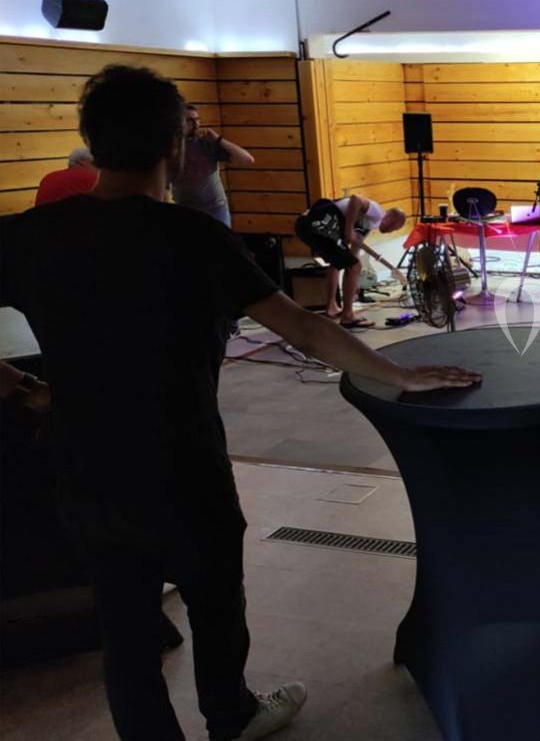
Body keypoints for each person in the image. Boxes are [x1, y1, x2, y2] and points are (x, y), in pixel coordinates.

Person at [0, 65, 481, 741]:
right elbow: (308, 329)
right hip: (184, 465)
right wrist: (400, 377)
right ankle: (233, 716)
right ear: (175, 148)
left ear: (91, 141)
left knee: (127, 637)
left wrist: (23, 388)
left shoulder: (27, 237)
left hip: (87, 474)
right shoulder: (194, 239)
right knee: (217, 603)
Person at [294, 194, 407, 329]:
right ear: (392, 219)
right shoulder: (378, 213)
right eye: (394, 228)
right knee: (353, 266)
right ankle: (347, 316)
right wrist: (348, 231)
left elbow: (352, 256)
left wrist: (354, 283)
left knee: (339, 263)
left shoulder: (367, 225)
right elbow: (356, 199)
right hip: (318, 223)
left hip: (307, 226)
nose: (390, 232)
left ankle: (331, 307)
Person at [171, 103, 255, 227]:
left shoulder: (206, 144)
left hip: (216, 211)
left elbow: (247, 159)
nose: (195, 124)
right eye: (189, 120)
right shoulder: (172, 149)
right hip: (187, 212)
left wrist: (218, 140)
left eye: (197, 120)